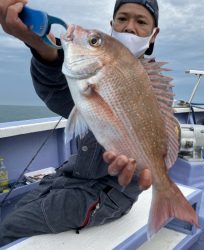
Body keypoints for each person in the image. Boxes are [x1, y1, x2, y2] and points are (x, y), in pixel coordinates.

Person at [0, 0, 160, 246]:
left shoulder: (150, 87)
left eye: (141, 22)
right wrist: (43, 49)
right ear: (112, 25)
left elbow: (166, 128)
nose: (129, 27)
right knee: (16, 209)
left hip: (109, 194)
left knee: (11, 227)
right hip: (71, 177)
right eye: (122, 18)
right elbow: (60, 94)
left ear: (153, 34)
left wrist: (154, 162)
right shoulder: (97, 74)